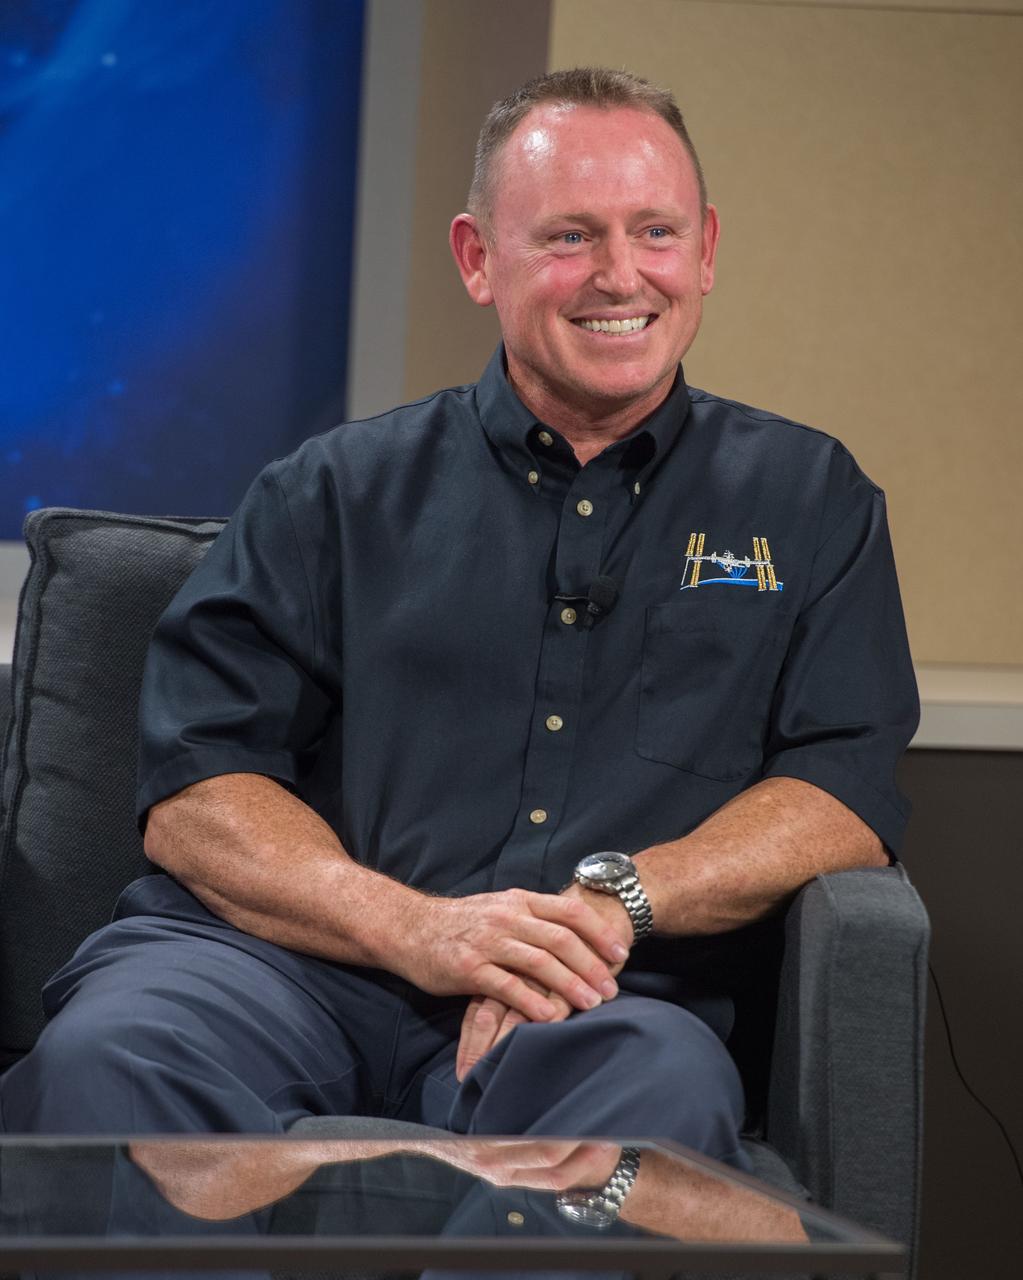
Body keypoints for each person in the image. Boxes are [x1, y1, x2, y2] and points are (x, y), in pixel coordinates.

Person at [0, 67, 918, 1235]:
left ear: (708, 249)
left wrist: (619, 898)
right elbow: (196, 789)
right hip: (282, 970)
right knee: (108, 1058)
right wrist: (421, 929)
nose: (621, 274)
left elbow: (843, 785)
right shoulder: (330, 488)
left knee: (656, 1092)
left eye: (655, 232)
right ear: (478, 257)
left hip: (591, 994)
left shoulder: (811, 499)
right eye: (570, 236)